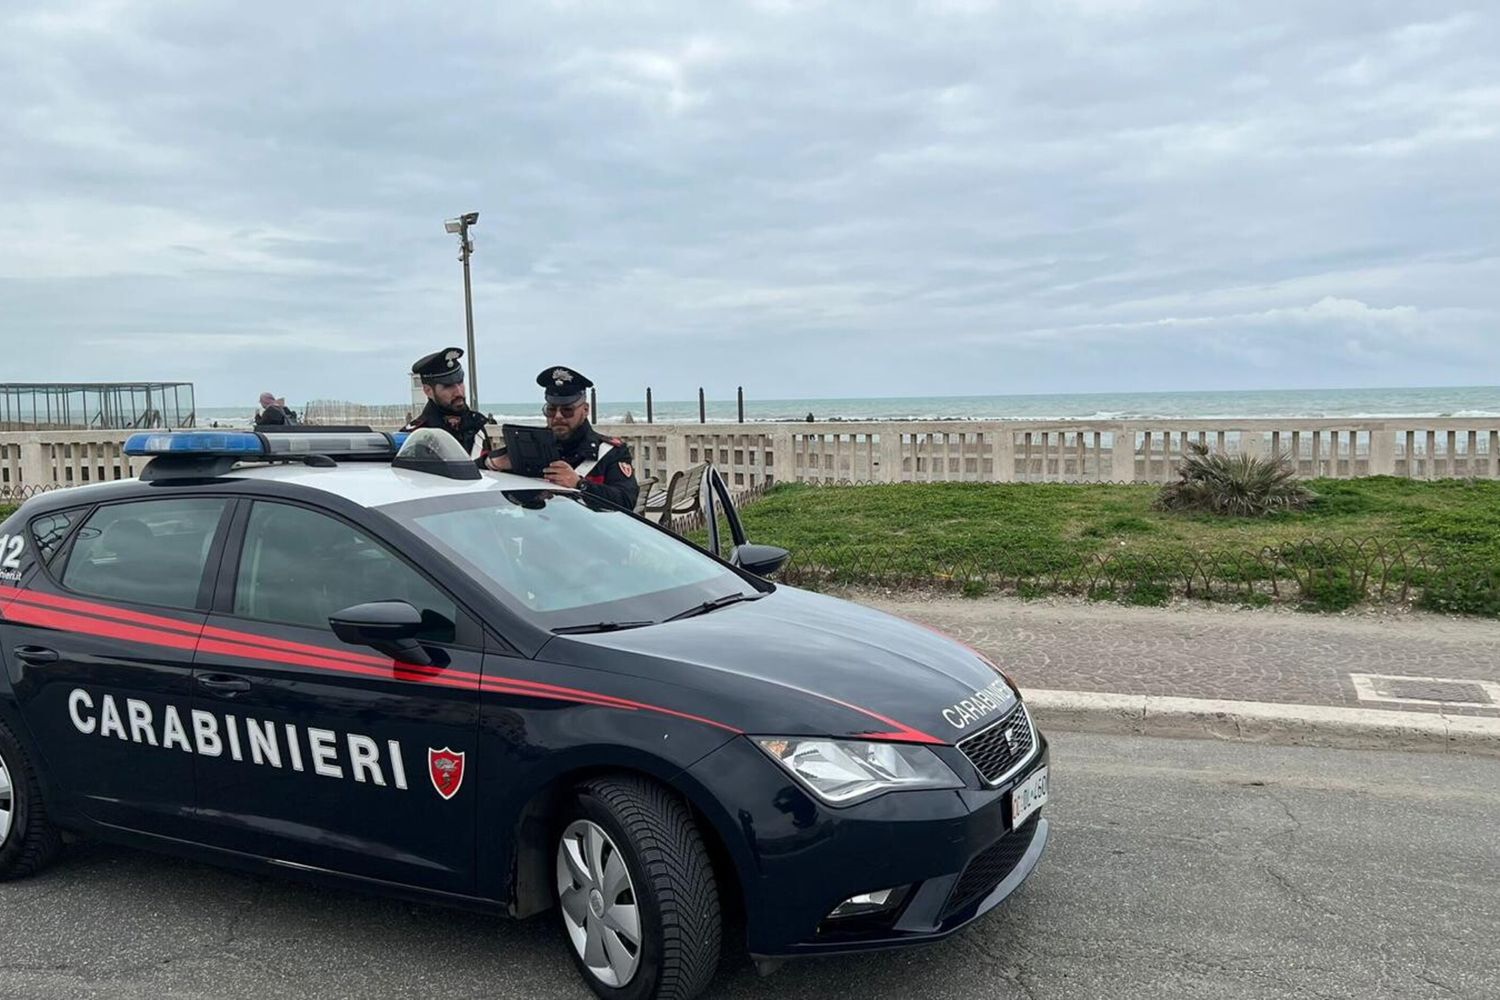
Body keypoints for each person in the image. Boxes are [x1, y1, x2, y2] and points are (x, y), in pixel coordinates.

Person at [487, 366, 639, 510]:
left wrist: (580, 484)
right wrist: (493, 462)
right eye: (551, 409)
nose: (558, 416)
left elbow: (626, 501)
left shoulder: (609, 452)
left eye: (567, 410)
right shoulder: (531, 445)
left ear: (585, 410)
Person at [401, 347, 492, 461]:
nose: (458, 392)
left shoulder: (476, 427)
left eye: (460, 382)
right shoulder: (415, 436)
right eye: (448, 386)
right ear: (428, 391)